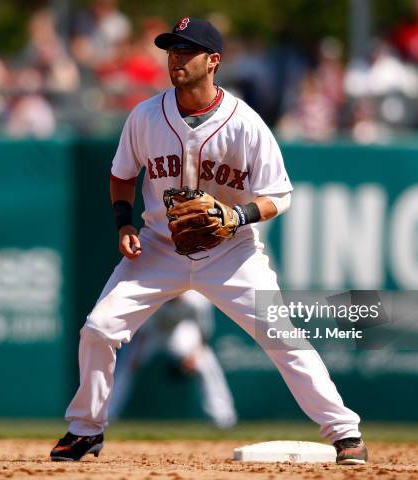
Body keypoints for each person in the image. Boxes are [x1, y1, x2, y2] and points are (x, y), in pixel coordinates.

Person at [50, 18, 368, 466]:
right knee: (99, 329)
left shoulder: (246, 124)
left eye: (187, 50)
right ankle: (85, 430)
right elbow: (122, 174)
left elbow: (279, 195)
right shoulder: (145, 115)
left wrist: (236, 215)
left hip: (232, 251)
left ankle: (345, 433)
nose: (176, 57)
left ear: (213, 61)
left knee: (281, 337)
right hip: (159, 245)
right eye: (171, 49)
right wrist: (123, 224)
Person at [109, 290, 237, 429]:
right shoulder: (151, 295)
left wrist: (195, 355)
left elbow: (203, 333)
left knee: (206, 362)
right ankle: (107, 414)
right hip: (153, 334)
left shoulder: (197, 300)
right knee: (126, 364)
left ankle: (223, 417)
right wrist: (136, 356)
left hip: (180, 331)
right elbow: (142, 333)